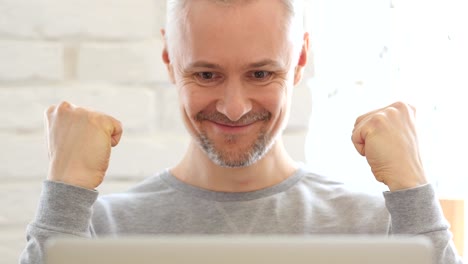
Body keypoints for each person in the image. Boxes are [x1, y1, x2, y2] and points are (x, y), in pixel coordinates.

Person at [20, 0, 463, 263]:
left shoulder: (382, 228)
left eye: (260, 74)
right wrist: (64, 195)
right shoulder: (93, 231)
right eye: (207, 75)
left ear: (300, 59)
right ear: (170, 60)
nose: (234, 108)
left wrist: (414, 194)